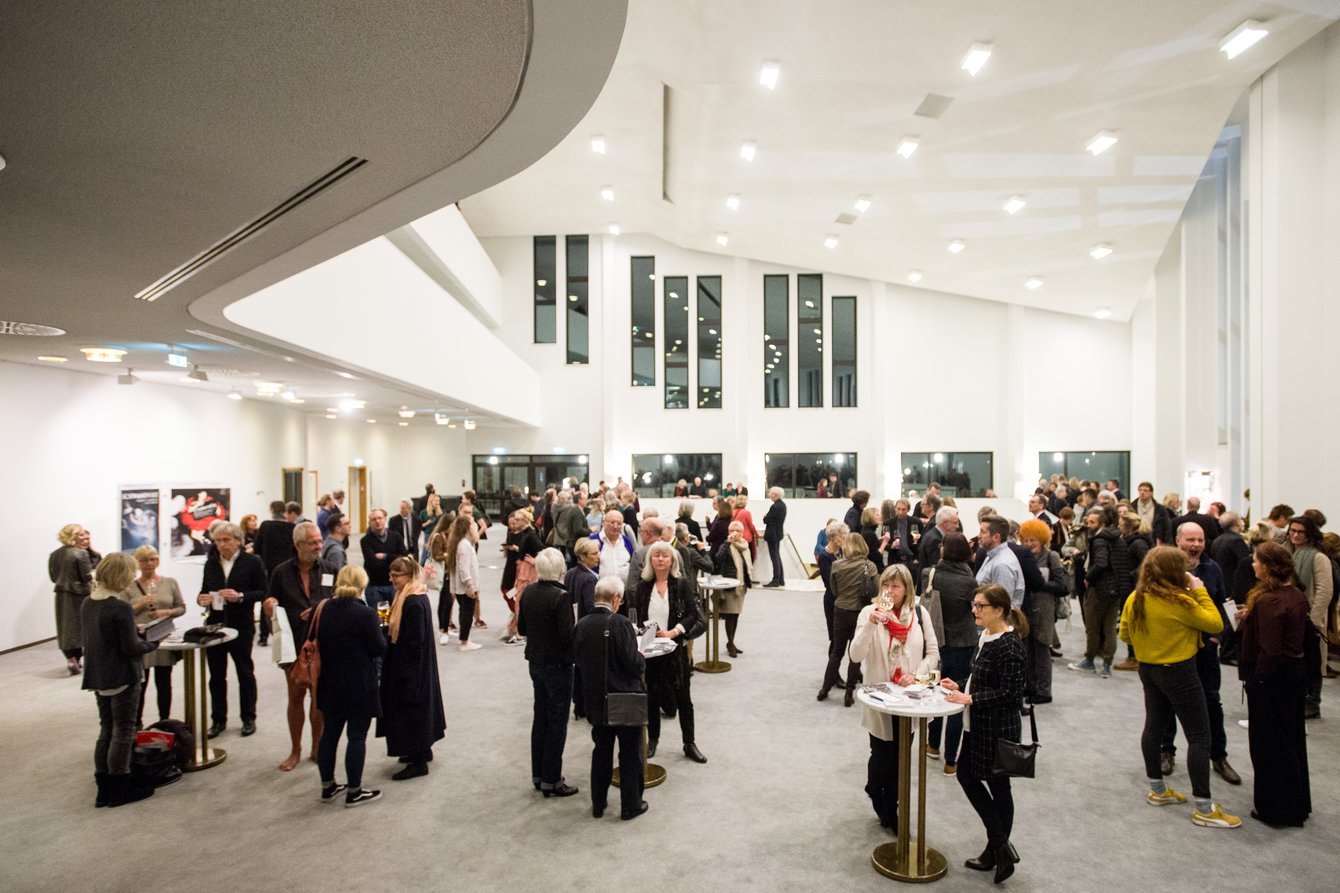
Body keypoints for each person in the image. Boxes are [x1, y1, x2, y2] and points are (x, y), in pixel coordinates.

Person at [1118, 546, 1241, 829]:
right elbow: (1214, 623)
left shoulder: (1136, 597)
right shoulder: (1181, 601)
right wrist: (1199, 590)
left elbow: (1125, 633)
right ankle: (1204, 807)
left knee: (1154, 726)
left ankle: (1158, 790)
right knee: (1200, 737)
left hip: (1149, 670)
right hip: (1180, 672)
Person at [942, 584, 1029, 883]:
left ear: (1000, 610)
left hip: (996, 727)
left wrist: (972, 698)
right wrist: (962, 685)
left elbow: (1010, 692)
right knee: (968, 776)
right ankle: (1000, 847)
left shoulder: (1010, 644)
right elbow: (982, 676)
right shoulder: (986, 636)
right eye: (974, 605)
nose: (974, 610)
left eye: (981, 606)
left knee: (998, 786)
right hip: (976, 723)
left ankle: (997, 848)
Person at [849, 563, 939, 829]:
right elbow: (855, 655)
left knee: (901, 758)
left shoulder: (919, 615)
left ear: (906, 589)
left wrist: (917, 674)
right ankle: (876, 794)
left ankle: (892, 810)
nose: (889, 591)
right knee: (881, 756)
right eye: (885, 585)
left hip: (908, 699)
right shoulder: (869, 612)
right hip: (879, 698)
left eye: (895, 586)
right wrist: (871, 625)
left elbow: (933, 653)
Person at [1236, 541, 1311, 827]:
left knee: (1268, 744)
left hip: (1273, 679)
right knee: (1289, 740)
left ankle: (1275, 809)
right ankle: (1295, 803)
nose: (1252, 564)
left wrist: (1258, 679)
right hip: (1292, 676)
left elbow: (1270, 649)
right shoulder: (1294, 595)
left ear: (1266, 566)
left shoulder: (1269, 600)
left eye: (1256, 560)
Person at [82, 552, 159, 808]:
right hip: (122, 674)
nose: (133, 577)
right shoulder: (119, 606)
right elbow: (130, 648)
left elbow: (104, 637)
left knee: (107, 728)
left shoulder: (89, 602)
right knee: (124, 730)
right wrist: (152, 645)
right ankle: (120, 786)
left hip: (99, 675)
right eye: (130, 573)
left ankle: (103, 788)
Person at [576, 577, 648, 820]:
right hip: (623, 699)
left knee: (601, 752)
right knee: (629, 753)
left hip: (596, 700)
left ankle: (598, 803)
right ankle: (631, 804)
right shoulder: (620, 623)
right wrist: (641, 655)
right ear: (616, 598)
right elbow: (633, 663)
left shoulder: (582, 624)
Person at [628, 542, 707, 762]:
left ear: (672, 560)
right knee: (651, 697)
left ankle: (689, 743)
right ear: (650, 561)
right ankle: (653, 739)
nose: (661, 559)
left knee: (684, 699)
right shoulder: (642, 588)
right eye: (656, 556)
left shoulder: (681, 584)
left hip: (676, 650)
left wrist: (675, 631)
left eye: (665, 556)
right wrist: (648, 632)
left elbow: (692, 614)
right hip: (651, 651)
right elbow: (638, 617)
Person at [315, 565, 386, 808]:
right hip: (359, 683)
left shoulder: (322, 609)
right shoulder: (365, 614)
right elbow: (378, 648)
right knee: (356, 736)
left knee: (329, 736)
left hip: (330, 681)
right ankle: (354, 791)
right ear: (361, 585)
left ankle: (328, 786)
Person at [262, 521, 331, 771]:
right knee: (295, 696)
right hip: (292, 643)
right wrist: (269, 604)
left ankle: (316, 747)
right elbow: (271, 600)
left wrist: (320, 609)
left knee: (318, 698)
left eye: (319, 541)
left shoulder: (329, 568)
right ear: (298, 544)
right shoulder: (281, 572)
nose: (318, 546)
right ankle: (295, 750)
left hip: (322, 642)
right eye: (313, 542)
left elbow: (339, 600)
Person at [195, 522, 268, 738]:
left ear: (238, 540)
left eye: (226, 540)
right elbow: (203, 591)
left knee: (244, 672)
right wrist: (202, 599)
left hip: (242, 624)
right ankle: (218, 720)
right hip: (215, 625)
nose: (221, 544)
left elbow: (263, 592)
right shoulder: (211, 563)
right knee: (216, 675)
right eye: (218, 541)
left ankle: (248, 718)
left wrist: (241, 596)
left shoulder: (252, 562)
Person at [378, 556, 446, 780]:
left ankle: (418, 761)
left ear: (408, 576)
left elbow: (414, 642)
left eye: (396, 576)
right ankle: (422, 750)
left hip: (412, 668)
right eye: (391, 575)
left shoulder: (413, 601)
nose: (392, 580)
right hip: (415, 666)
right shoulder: (410, 595)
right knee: (417, 709)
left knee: (411, 709)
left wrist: (406, 674)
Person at [518, 548, 578, 796]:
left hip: (536, 663)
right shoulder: (561, 597)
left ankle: (538, 774)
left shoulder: (529, 592)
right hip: (558, 666)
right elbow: (567, 637)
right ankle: (552, 779)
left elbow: (522, 629)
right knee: (557, 722)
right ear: (561, 570)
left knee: (540, 718)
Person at [922, 533, 977, 773]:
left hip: (934, 644)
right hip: (962, 645)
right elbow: (973, 611)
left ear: (944, 550)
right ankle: (951, 760)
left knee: (934, 692)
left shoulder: (929, 574)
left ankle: (932, 746)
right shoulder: (970, 583)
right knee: (956, 698)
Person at [127, 546, 185, 725]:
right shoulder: (129, 587)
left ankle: (164, 721)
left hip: (163, 638)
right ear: (137, 563)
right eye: (143, 560)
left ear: (157, 561)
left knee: (164, 682)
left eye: (152, 559)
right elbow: (121, 613)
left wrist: (166, 612)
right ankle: (137, 724)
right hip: (140, 640)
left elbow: (181, 608)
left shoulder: (170, 582)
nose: (148, 564)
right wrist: (139, 604)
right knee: (140, 684)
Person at [1069, 507, 1130, 678]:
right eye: (1087, 521)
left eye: (1092, 522)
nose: (1088, 525)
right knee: (1110, 627)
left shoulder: (1099, 540)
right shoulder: (1118, 538)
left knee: (1093, 627)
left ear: (1101, 524)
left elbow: (1101, 563)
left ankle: (1089, 661)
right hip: (1116, 588)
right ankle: (1106, 665)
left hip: (1099, 589)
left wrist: (1089, 577)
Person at [819, 532, 879, 706]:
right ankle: (849, 692)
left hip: (840, 610)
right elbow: (875, 591)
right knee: (855, 653)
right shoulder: (870, 566)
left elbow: (834, 589)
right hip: (860, 612)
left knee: (837, 651)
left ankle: (825, 688)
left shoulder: (837, 565)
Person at [1286, 515, 1331, 719]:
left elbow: (1324, 591)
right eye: (1292, 530)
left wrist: (1312, 621)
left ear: (1309, 534)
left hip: (1310, 621)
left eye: (1300, 532)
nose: (1295, 535)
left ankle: (1313, 703)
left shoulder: (1318, 557)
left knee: (1313, 661)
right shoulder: (1289, 554)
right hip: (1293, 620)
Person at [1017, 519, 1066, 704]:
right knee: (1027, 649)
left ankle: (1044, 691)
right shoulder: (1024, 556)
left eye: (1033, 540)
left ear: (1042, 540)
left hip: (1045, 609)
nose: (1029, 544)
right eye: (1026, 540)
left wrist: (1039, 584)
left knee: (1042, 649)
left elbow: (1061, 585)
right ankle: (1030, 686)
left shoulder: (1051, 556)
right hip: (1027, 608)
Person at [52, 523, 97, 676]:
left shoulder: (55, 554)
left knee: (65, 628)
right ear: (72, 536)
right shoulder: (80, 553)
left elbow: (53, 577)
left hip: (61, 594)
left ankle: (71, 659)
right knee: (81, 628)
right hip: (80, 594)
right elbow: (86, 576)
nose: (84, 537)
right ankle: (77, 659)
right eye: (80, 534)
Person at [501, 509, 544, 644]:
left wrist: (534, 561)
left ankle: (520, 631)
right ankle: (518, 628)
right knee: (518, 598)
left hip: (528, 571)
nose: (515, 521)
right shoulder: (525, 533)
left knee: (521, 600)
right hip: (522, 569)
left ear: (525, 520)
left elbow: (542, 550)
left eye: (518, 519)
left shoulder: (530, 534)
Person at [712, 519, 752, 657]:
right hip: (729, 586)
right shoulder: (726, 545)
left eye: (738, 531)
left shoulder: (744, 545)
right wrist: (727, 542)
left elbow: (746, 565)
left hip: (740, 586)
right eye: (731, 531)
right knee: (729, 615)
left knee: (735, 615)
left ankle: (732, 642)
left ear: (742, 532)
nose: (735, 533)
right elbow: (718, 558)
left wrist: (747, 582)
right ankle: (730, 643)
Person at [446, 514, 483, 652]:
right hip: (466, 586)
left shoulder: (461, 543)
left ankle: (464, 637)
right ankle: (464, 641)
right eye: (473, 525)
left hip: (462, 586)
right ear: (468, 527)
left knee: (464, 612)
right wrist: (470, 584)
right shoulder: (464, 545)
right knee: (467, 613)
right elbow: (464, 568)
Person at [360, 509, 396, 609]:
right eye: (374, 519)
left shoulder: (396, 536)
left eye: (380, 518)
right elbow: (373, 563)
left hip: (394, 584)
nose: (377, 521)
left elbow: (403, 557)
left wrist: (385, 556)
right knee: (377, 619)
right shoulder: (365, 541)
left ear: (385, 519)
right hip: (374, 586)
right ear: (370, 522)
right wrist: (393, 559)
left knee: (396, 617)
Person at [817, 521, 846, 642]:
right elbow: (830, 583)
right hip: (832, 600)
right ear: (831, 538)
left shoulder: (842, 553)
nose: (844, 538)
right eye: (841, 535)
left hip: (844, 599)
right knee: (835, 640)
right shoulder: (824, 556)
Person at [760, 486, 787, 587]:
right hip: (778, 533)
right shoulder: (783, 505)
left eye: (771, 494)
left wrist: (765, 517)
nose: (770, 495)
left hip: (772, 534)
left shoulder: (775, 506)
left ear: (775, 495)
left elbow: (767, 519)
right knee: (777, 556)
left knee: (774, 557)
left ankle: (776, 580)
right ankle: (781, 579)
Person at [418, 493, 444, 563]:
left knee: (437, 552)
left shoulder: (441, 513)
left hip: (438, 535)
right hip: (428, 535)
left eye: (438, 501)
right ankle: (422, 566)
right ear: (431, 501)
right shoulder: (423, 512)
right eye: (436, 501)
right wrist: (427, 523)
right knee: (426, 552)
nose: (438, 503)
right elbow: (419, 526)